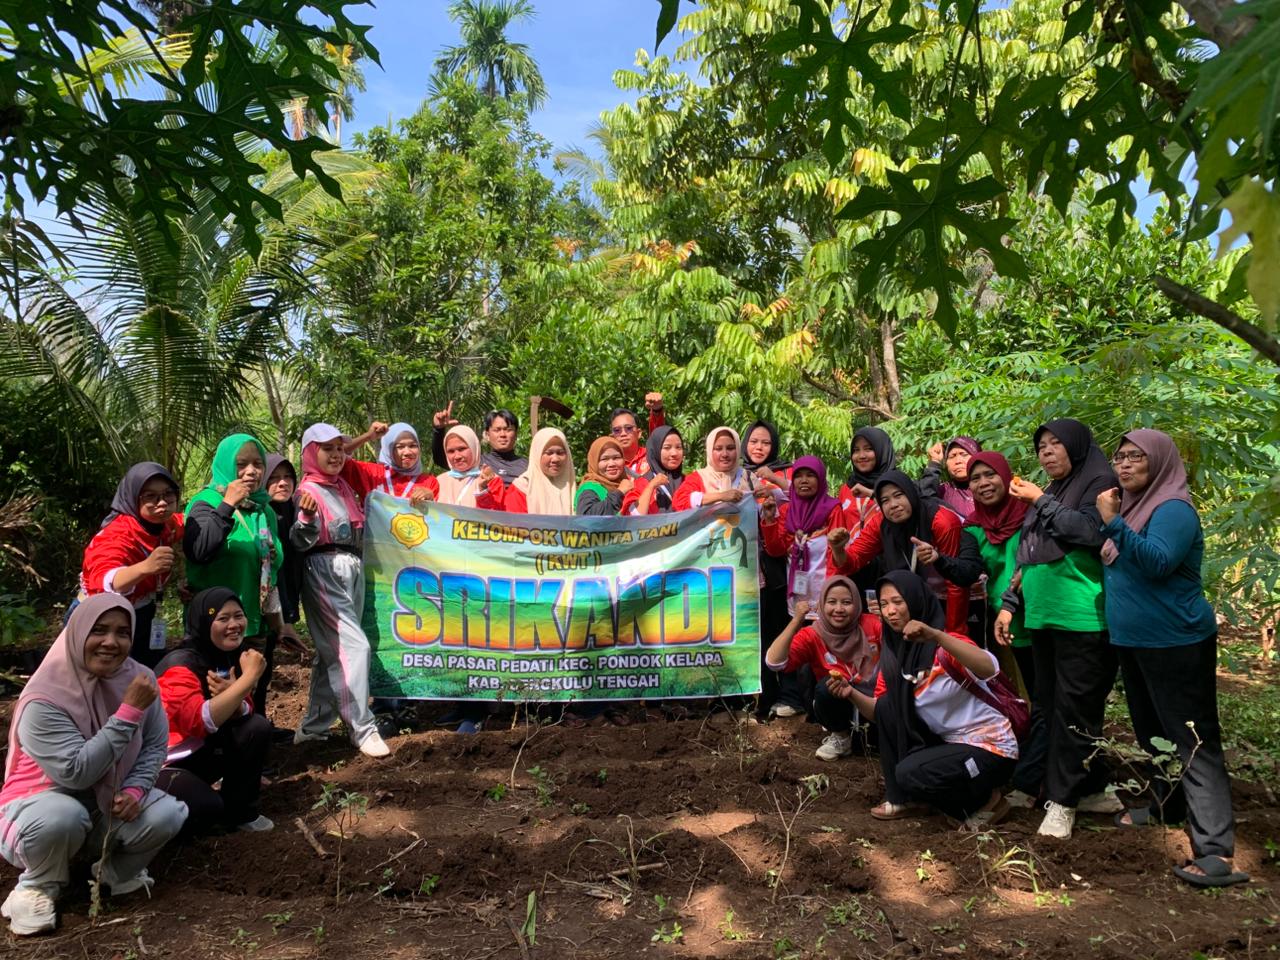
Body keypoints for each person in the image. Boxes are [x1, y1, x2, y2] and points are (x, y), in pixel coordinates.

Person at [1099, 429, 1246, 887]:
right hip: (1136, 642)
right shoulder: (1135, 509)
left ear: (1159, 462)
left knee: (1194, 741)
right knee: (1151, 731)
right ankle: (1168, 806)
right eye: (1119, 457)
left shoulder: (1173, 510)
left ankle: (1216, 849)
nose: (1123, 465)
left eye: (1135, 457)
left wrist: (1114, 522)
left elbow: (1158, 561)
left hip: (1176, 642)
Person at [0, 595, 187, 936]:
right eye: (98, 631)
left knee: (169, 813)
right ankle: (37, 886)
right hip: (38, 805)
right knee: (63, 817)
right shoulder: (44, 698)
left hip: (105, 802)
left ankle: (111, 874)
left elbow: (156, 745)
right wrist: (128, 713)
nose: (111, 642)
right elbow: (76, 772)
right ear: (77, 633)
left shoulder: (140, 678)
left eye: (122, 632)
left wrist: (134, 789)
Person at [996, 418, 1120, 839]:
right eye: (1041, 446)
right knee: (1052, 706)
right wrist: (1011, 605)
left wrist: (1038, 501)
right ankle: (1093, 788)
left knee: (1074, 709)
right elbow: (1027, 556)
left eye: (1055, 444)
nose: (1046, 452)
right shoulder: (1050, 492)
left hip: (1082, 617)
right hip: (1044, 617)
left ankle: (1062, 803)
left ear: (1075, 446)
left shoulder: (1100, 481)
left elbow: (1089, 530)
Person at [851, 571, 1018, 829]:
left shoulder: (945, 646)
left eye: (898, 602)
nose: (891, 611)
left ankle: (987, 801)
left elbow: (988, 668)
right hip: (949, 742)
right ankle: (906, 800)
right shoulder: (895, 658)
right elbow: (881, 714)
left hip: (991, 748)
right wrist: (849, 693)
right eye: (884, 605)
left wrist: (937, 636)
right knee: (888, 707)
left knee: (911, 774)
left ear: (916, 600)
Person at [291, 423, 390, 758]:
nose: (335, 455)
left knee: (331, 651)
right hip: (324, 570)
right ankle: (362, 728)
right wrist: (305, 518)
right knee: (353, 648)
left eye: (339, 448)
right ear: (310, 453)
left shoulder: (341, 486)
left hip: (353, 568)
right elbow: (300, 540)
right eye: (327, 448)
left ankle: (314, 726)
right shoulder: (309, 491)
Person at [155, 588, 272, 833]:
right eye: (222, 619)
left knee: (255, 727)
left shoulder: (228, 656)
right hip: (164, 764)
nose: (234, 625)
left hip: (200, 749)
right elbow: (197, 721)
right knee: (207, 809)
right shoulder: (181, 665)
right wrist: (247, 680)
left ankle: (241, 813)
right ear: (204, 621)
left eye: (238, 616)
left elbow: (245, 707)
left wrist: (236, 694)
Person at [826, 470, 970, 634]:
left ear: (911, 493)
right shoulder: (881, 522)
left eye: (899, 495)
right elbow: (852, 562)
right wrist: (837, 549)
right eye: (885, 500)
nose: (893, 504)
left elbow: (956, 582)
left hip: (952, 598)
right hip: (911, 599)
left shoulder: (942, 521)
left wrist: (954, 634)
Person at [183, 433, 284, 659]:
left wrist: (279, 624)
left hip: (255, 625)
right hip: (215, 625)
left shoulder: (263, 509)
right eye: (241, 464)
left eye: (258, 464)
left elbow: (272, 572)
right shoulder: (207, 502)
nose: (251, 471)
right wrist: (228, 504)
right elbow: (198, 551)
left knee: (251, 691)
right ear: (226, 464)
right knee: (215, 690)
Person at [79, 462, 184, 668]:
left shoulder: (163, 525)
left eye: (168, 494)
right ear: (132, 498)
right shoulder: (118, 533)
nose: (161, 503)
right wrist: (145, 567)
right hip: (102, 621)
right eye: (150, 497)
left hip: (142, 614)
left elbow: (185, 521)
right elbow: (103, 580)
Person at [765, 577, 882, 760]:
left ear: (858, 603)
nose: (839, 609)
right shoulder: (813, 634)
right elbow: (774, 662)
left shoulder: (873, 624)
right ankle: (841, 737)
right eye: (831, 602)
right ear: (821, 605)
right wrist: (796, 620)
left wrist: (888, 622)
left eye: (847, 602)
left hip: (875, 704)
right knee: (827, 686)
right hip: (840, 704)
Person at [761, 455, 845, 614]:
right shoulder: (787, 510)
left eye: (810, 475)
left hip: (828, 597)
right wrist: (770, 519)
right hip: (797, 596)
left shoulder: (833, 509)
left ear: (820, 479)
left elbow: (837, 556)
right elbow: (776, 550)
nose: (804, 480)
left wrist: (830, 594)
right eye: (798, 476)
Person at [836, 426, 897, 598]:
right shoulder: (846, 488)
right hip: (852, 566)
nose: (861, 456)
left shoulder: (896, 484)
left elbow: (905, 515)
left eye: (869, 449)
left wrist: (872, 493)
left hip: (889, 566)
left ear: (882, 450)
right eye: (856, 450)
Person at [475, 428, 577, 515]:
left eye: (560, 453)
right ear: (537, 454)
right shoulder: (523, 488)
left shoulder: (572, 488)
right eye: (548, 453)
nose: (555, 459)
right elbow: (509, 526)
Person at [431, 405, 529, 486]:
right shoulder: (476, 463)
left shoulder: (528, 466)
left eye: (508, 430)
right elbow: (441, 459)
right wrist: (438, 430)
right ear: (487, 434)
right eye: (497, 430)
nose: (502, 434)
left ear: (516, 434)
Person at [342, 421, 437, 504]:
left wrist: (431, 500)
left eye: (413, 446)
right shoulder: (371, 474)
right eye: (400, 447)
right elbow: (339, 455)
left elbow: (439, 520)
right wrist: (368, 436)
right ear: (389, 450)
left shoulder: (429, 483)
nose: (408, 452)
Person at [670, 427, 761, 511]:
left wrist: (768, 513)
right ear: (709, 451)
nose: (725, 454)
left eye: (730, 448)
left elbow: (763, 516)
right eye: (718, 449)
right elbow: (678, 503)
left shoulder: (748, 477)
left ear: (737, 449)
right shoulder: (699, 477)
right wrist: (720, 496)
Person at [622, 425, 686, 515]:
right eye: (667, 447)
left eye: (678, 447)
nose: (674, 453)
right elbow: (632, 518)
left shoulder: (688, 481)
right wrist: (651, 486)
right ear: (655, 450)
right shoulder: (642, 483)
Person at [436, 424, 504, 508]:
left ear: (474, 447)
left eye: (462, 449)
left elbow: (496, 516)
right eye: (451, 451)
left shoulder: (492, 480)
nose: (457, 456)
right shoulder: (439, 482)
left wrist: (483, 490)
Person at [919, 436, 983, 519]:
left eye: (964, 455)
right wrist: (934, 463)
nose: (958, 461)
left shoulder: (990, 486)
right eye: (952, 456)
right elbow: (926, 497)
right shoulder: (943, 491)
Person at [609, 392, 667, 473]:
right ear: (612, 437)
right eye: (617, 430)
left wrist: (657, 410)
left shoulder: (652, 456)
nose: (623, 433)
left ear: (639, 433)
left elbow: (657, 435)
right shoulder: (609, 465)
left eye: (628, 428)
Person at [576, 437, 632, 515]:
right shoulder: (589, 488)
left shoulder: (626, 483)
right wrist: (619, 493)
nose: (612, 464)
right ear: (594, 462)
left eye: (616, 458)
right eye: (604, 459)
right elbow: (588, 518)